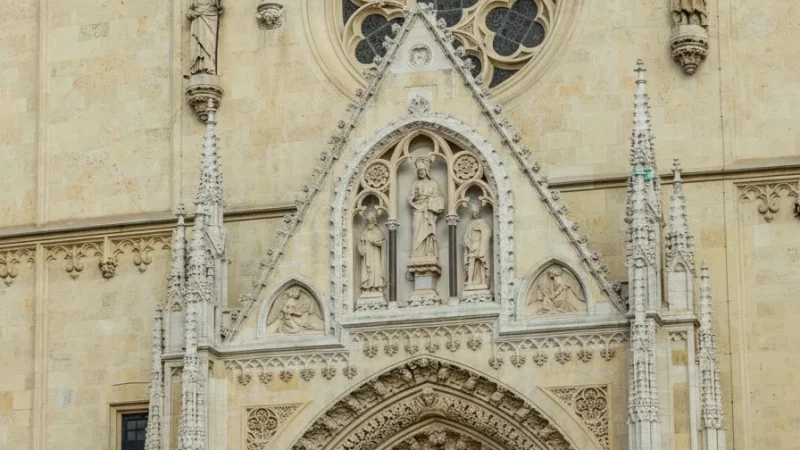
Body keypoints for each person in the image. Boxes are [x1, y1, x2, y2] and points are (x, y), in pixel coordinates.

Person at [408, 155, 444, 259]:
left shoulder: (433, 183)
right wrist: (415, 198)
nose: (421, 172)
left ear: (426, 171)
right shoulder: (416, 184)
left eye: (423, 170)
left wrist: (430, 200)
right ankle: (417, 252)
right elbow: (410, 197)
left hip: (429, 210)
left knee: (429, 229)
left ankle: (429, 251)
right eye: (419, 171)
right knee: (416, 228)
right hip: (418, 208)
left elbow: (438, 196)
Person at [187, 0, 222, 75]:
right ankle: (199, 66)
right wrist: (192, 13)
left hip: (211, 18)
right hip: (198, 19)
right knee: (199, 44)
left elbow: (220, 7)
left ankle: (210, 65)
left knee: (209, 44)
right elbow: (189, 11)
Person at [463, 203, 491, 288]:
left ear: (479, 212)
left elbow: (488, 232)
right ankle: (470, 281)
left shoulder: (482, 222)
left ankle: (483, 281)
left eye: (477, 211)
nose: (475, 213)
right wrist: (469, 245)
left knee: (482, 262)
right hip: (473, 245)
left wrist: (481, 229)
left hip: (481, 245)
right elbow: (466, 236)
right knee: (471, 262)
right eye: (474, 212)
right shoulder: (470, 223)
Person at [359, 210, 386, 293]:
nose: (369, 222)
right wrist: (361, 249)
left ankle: (377, 286)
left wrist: (375, 242)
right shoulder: (365, 232)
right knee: (368, 270)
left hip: (375, 254)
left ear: (374, 221)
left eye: (371, 220)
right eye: (368, 220)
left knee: (376, 270)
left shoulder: (378, 231)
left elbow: (383, 243)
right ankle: (368, 286)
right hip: (367, 254)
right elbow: (361, 243)